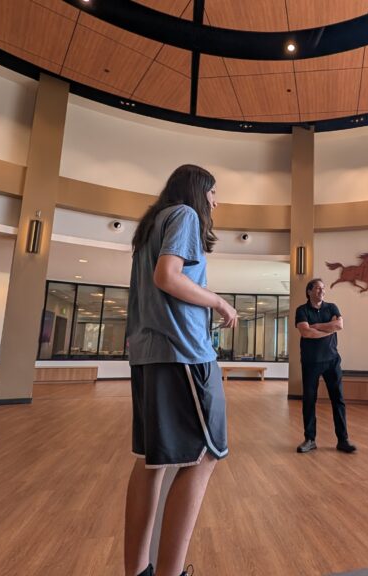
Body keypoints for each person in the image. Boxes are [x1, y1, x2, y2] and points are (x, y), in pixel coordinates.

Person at [123, 164, 238, 576]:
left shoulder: (150, 225)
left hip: (148, 355)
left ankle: (138, 572)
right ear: (198, 191)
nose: (216, 202)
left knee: (151, 461)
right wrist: (219, 302)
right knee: (204, 455)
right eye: (213, 193)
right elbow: (168, 277)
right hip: (184, 355)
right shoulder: (185, 215)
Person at [295, 278, 356, 454]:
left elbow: (339, 325)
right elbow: (306, 332)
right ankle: (310, 439)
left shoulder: (332, 307)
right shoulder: (302, 310)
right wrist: (328, 329)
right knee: (309, 401)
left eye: (323, 288)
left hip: (332, 361)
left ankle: (343, 440)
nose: (322, 291)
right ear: (309, 291)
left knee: (338, 400)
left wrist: (318, 327)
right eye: (317, 288)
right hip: (310, 362)